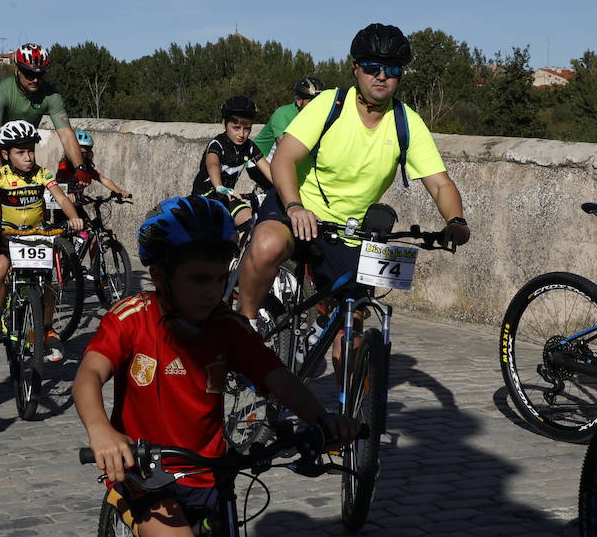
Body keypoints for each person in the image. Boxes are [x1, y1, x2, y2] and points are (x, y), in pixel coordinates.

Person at [75, 196, 358, 537]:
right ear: (161, 277)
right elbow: (88, 375)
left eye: (221, 277)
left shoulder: (225, 326)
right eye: (199, 280)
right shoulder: (133, 318)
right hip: (145, 474)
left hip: (211, 470)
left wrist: (322, 420)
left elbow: (276, 377)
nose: (213, 291)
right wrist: (101, 431)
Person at [236, 23, 470, 334]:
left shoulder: (407, 123)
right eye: (372, 66)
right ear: (356, 69)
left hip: (348, 231)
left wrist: (456, 220)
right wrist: (294, 206)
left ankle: (356, 380)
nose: (381, 75)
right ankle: (242, 326)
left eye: (392, 68)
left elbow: (440, 183)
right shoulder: (330, 104)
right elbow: (285, 157)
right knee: (266, 246)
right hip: (297, 207)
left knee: (352, 329)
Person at [0, 120, 84, 359]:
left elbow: (62, 199)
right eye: (20, 152)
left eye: (31, 150)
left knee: (48, 286)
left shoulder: (42, 174)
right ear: (6, 154)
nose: (28, 157)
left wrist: (73, 217)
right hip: (10, 237)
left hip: (37, 237)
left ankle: (45, 329)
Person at [0, 45, 89, 260]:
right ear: (17, 70)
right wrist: (2, 174)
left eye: (40, 74)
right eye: (29, 73)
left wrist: (80, 167)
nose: (35, 79)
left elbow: (65, 132)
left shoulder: (50, 94)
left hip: (22, 149)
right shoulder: (2, 91)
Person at [190, 95, 273, 228]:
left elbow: (269, 171)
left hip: (227, 199)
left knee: (254, 221)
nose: (242, 134)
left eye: (247, 129)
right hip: (204, 199)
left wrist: (284, 189)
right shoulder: (217, 144)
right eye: (236, 127)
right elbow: (213, 164)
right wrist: (219, 187)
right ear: (225, 124)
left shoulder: (249, 146)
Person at [254, 76, 323, 159]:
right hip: (260, 160)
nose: (316, 105)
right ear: (299, 101)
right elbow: (285, 149)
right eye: (311, 101)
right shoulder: (283, 114)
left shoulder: (316, 115)